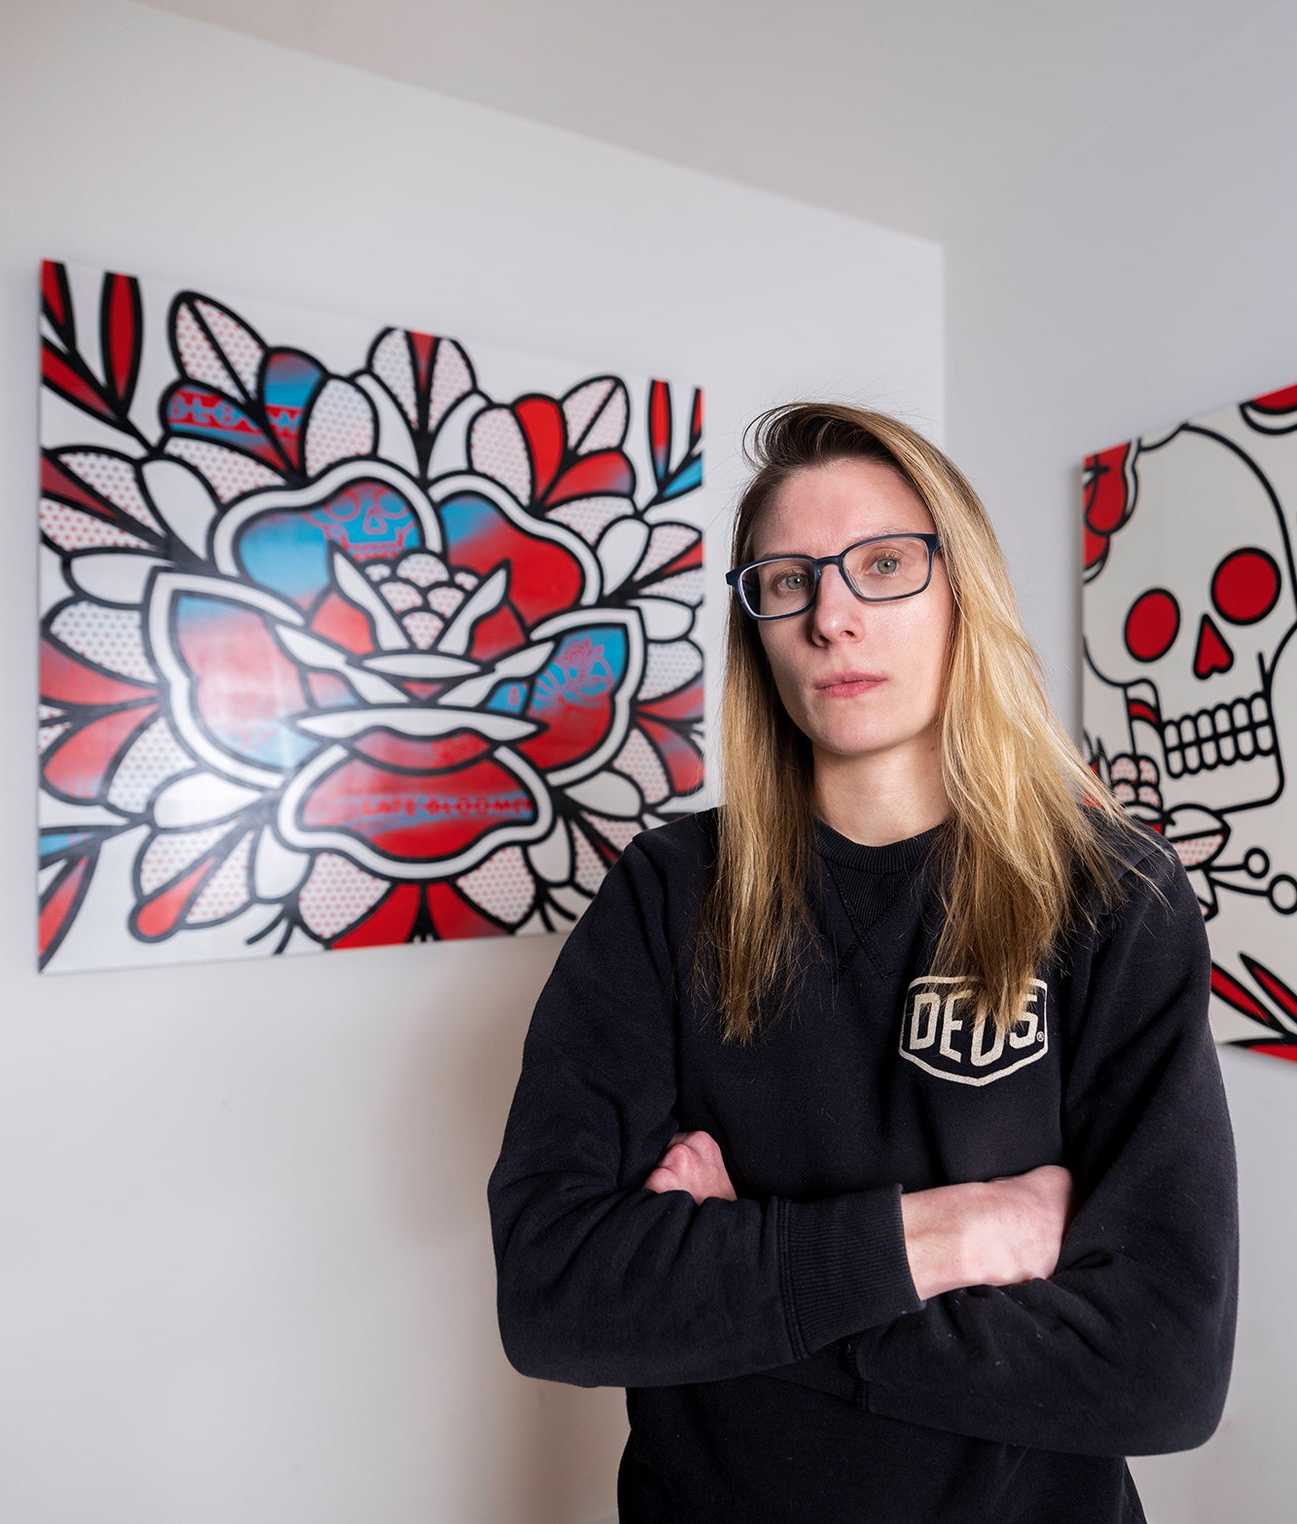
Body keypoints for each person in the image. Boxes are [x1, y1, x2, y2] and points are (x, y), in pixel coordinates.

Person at [487, 402, 1238, 1523]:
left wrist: (747, 1277)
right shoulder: (665, 893)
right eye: (786, 583)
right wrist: (948, 1236)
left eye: (881, 564)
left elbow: (1161, 1368)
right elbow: (556, 1295)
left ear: (961, 592)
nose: (830, 616)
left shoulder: (1111, 896)